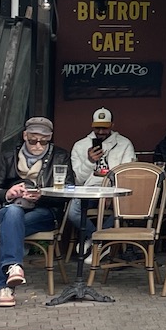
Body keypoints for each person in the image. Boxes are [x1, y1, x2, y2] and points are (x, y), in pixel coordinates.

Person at [0, 117, 75, 307]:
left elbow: (69, 192)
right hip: (12, 209)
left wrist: (41, 195)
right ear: (25, 136)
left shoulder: (61, 156)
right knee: (13, 213)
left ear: (50, 139)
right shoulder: (9, 157)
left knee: (10, 226)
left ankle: (5, 287)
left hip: (44, 211)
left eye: (44, 141)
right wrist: (8, 193)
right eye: (33, 140)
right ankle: (13, 270)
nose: (38, 145)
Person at [67, 107, 137, 256]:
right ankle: (98, 240)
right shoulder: (80, 146)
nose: (100, 132)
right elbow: (78, 179)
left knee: (127, 207)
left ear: (112, 125)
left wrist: (110, 192)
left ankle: (97, 242)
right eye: (97, 128)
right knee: (73, 212)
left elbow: (128, 175)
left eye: (104, 128)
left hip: (115, 190)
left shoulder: (124, 144)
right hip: (88, 189)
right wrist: (89, 161)